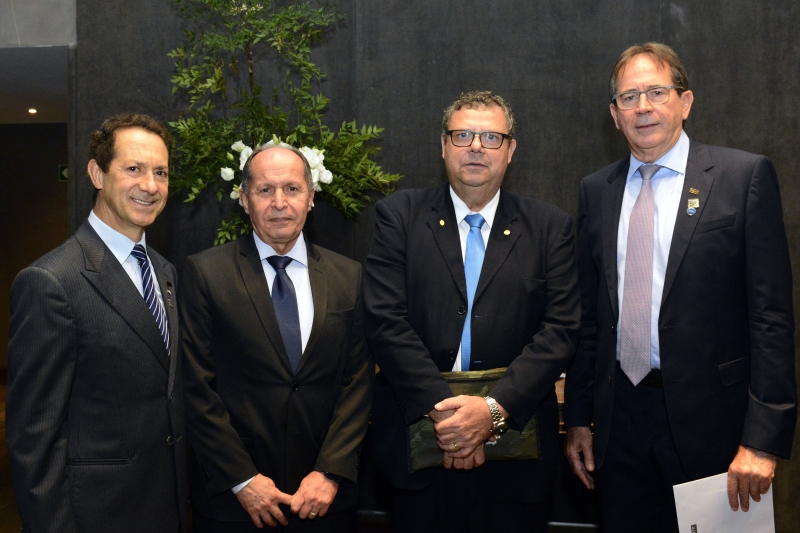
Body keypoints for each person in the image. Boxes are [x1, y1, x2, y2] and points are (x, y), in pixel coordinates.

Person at [564, 42, 796, 532]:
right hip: (618, 422)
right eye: (629, 97)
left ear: (685, 102)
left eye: (656, 92)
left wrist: (762, 440)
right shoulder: (595, 191)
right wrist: (580, 418)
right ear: (614, 114)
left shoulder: (742, 177)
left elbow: (771, 318)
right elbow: (589, 319)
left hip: (717, 427)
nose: (642, 107)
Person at [364, 90, 580, 532]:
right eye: (463, 135)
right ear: (443, 145)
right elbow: (385, 321)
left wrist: (491, 412)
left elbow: (560, 330)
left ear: (511, 149)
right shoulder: (398, 217)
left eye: (491, 137)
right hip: (417, 450)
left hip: (518, 461)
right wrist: (449, 417)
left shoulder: (550, 228)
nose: (476, 147)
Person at [6, 113, 186, 532]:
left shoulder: (164, 272)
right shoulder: (51, 281)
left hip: (165, 507)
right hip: (96, 515)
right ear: (96, 174)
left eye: (160, 172)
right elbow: (35, 438)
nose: (150, 185)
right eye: (133, 169)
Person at [180, 143, 373, 532]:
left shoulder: (349, 277)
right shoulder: (205, 274)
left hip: (324, 500)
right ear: (245, 200)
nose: (279, 202)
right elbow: (195, 386)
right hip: (235, 503)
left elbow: (359, 383)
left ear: (311, 198)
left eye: (292, 189)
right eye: (265, 190)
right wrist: (242, 479)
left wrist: (330, 472)